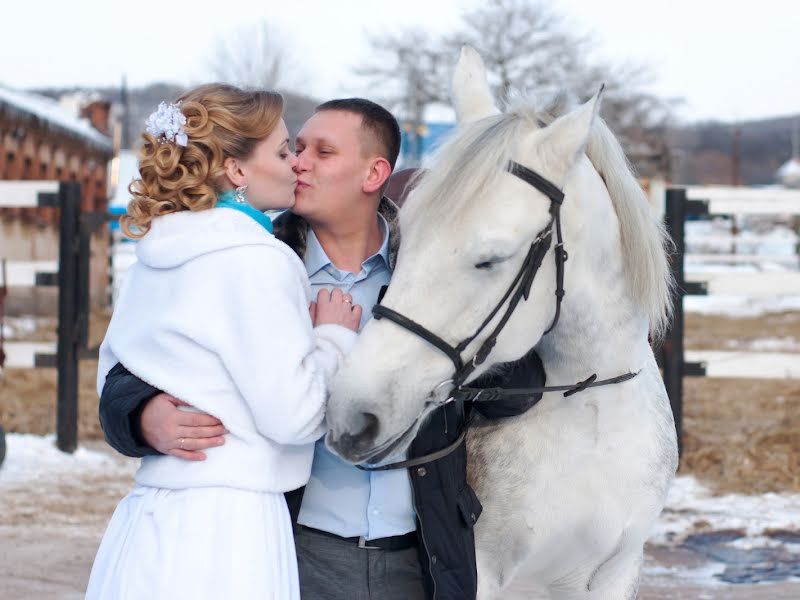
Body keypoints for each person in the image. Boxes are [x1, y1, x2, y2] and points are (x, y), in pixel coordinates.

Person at [98, 98, 546, 600]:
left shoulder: (435, 274)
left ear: (374, 172)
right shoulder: (255, 256)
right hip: (291, 547)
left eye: (322, 151)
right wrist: (139, 415)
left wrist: (446, 363)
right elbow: (134, 365)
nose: (300, 162)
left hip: (422, 553)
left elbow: (521, 386)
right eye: (295, 148)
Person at [86, 84, 360, 600]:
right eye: (283, 152)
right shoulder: (256, 260)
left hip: (146, 516)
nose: (296, 163)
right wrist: (333, 339)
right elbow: (296, 415)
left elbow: (114, 375)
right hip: (229, 527)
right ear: (235, 170)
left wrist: (144, 416)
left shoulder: (155, 254)